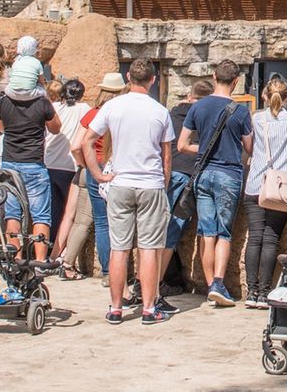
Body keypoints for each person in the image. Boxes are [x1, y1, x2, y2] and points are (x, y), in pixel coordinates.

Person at [81, 59, 175, 325]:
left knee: (119, 248)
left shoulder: (112, 106)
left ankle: (116, 307)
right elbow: (166, 157)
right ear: (153, 80)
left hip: (121, 181)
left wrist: (98, 173)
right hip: (150, 183)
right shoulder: (160, 111)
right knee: (148, 248)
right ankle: (148, 308)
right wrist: (163, 185)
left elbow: (87, 141)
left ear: (128, 77)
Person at [178, 60, 253, 307]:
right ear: (235, 82)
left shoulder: (198, 107)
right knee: (224, 233)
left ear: (213, 76)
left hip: (203, 172)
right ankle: (219, 283)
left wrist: (203, 150)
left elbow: (182, 145)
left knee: (206, 232)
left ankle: (210, 285)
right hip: (229, 173)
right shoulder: (240, 110)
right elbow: (249, 147)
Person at [243, 76, 287, 308]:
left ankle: (251, 291)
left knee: (254, 238)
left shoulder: (256, 119)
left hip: (255, 184)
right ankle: (265, 292)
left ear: (264, 97)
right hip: (280, 185)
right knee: (271, 239)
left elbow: (248, 146)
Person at [0, 62, 61, 262]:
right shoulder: (41, 103)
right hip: (33, 162)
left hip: (10, 162)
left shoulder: (4, 102)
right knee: (40, 215)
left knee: (12, 214)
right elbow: (56, 127)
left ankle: (15, 258)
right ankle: (40, 260)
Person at [160, 79, 212, 296]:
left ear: (190, 96)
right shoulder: (206, 117)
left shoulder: (171, 115)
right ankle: (154, 283)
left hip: (170, 174)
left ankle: (148, 281)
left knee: (159, 229)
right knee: (171, 232)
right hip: (189, 175)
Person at [74, 73, 128, 280]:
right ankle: (121, 272)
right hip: (116, 165)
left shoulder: (93, 114)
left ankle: (108, 272)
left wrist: (85, 164)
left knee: (102, 221)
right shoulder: (122, 113)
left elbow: (76, 145)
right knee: (121, 221)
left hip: (95, 167)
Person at [43, 79, 88, 263]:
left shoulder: (54, 108)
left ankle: (47, 247)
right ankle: (61, 251)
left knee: (52, 210)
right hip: (70, 165)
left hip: (50, 162)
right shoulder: (84, 109)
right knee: (69, 212)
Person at [5, 35, 45, 100]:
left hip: (13, 94)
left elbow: (10, 77)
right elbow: (41, 81)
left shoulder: (16, 61)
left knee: (7, 88)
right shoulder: (37, 62)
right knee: (43, 91)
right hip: (29, 94)